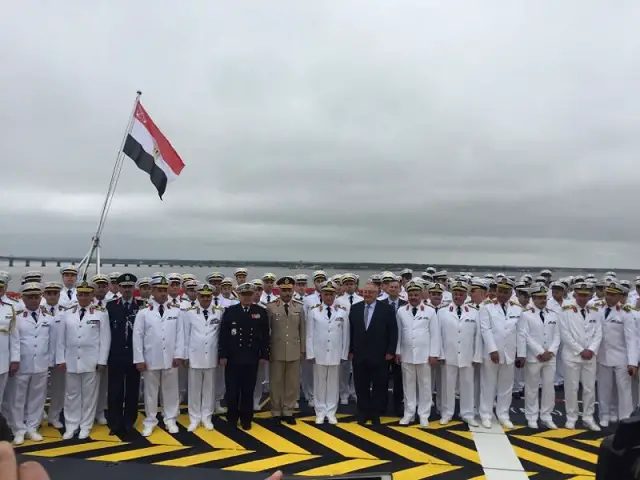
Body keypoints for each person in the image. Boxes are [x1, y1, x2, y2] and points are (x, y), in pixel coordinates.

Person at [56, 280, 111, 440]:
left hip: (91, 361)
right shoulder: (67, 314)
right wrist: (61, 359)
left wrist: (102, 361)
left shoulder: (101, 313)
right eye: (81, 294)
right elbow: (61, 340)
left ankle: (85, 426)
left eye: (87, 294)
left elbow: (105, 339)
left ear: (92, 295)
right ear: (77, 295)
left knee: (89, 396)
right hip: (71, 361)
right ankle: (71, 425)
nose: (84, 297)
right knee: (71, 395)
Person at [132, 276, 185, 437]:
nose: (162, 293)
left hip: (170, 358)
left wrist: (178, 355)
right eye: (159, 290)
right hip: (150, 358)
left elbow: (180, 335)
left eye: (164, 290)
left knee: (171, 391)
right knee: (150, 392)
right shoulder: (143, 313)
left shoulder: (176, 311)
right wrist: (139, 359)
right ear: (153, 291)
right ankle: (150, 420)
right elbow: (137, 336)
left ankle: (170, 419)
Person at [218, 283, 270, 430]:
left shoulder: (260, 312)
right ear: (239, 296)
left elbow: (265, 335)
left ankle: (246, 418)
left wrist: (264, 354)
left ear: (253, 295)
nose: (247, 297)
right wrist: (223, 355)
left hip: (251, 357)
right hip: (233, 357)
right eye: (244, 295)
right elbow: (224, 335)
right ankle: (232, 417)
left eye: (249, 295)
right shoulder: (230, 311)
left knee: (248, 390)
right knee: (232, 390)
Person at [478, 277, 524, 429]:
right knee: (488, 385)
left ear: (511, 293)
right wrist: (493, 350)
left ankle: (503, 414)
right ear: (496, 291)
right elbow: (485, 329)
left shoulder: (517, 309)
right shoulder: (486, 307)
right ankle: (486, 414)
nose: (503, 294)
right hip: (492, 353)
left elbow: (521, 332)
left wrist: (521, 353)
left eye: (506, 292)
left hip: (510, 353)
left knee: (506, 387)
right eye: (500, 291)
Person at [349, 282, 397, 425]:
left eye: (371, 292)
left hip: (380, 355)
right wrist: (350, 350)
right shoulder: (355, 308)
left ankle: (375, 413)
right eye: (366, 292)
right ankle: (363, 412)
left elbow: (393, 331)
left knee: (379, 386)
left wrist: (391, 351)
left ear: (377, 293)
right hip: (359, 354)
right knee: (361, 386)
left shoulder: (386, 309)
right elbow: (351, 332)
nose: (368, 294)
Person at [558, 281, 602, 431]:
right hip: (572, 356)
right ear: (575, 294)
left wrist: (591, 349)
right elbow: (565, 334)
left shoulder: (595, 311)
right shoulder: (566, 311)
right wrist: (580, 350)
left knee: (589, 388)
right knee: (572, 388)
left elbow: (598, 333)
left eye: (586, 295)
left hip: (590, 356)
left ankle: (588, 417)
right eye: (580, 295)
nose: (583, 298)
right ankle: (571, 417)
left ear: (590, 295)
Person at [437, 280, 481, 427]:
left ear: (466, 295)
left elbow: (478, 337)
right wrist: (440, 354)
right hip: (448, 355)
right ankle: (447, 413)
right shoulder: (442, 312)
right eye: (456, 293)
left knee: (468, 385)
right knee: (447, 386)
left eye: (461, 293)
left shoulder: (474, 312)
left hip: (468, 356)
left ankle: (468, 414)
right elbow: (438, 335)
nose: (458, 296)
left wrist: (477, 355)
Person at [105, 273, 145, 437]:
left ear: (134, 288)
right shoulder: (111, 306)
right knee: (115, 390)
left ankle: (129, 422)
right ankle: (115, 423)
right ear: (119, 288)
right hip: (116, 355)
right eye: (124, 287)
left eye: (130, 287)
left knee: (132, 390)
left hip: (134, 355)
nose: (127, 290)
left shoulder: (142, 306)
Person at [396, 281, 440, 427]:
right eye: (411, 294)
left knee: (425, 386)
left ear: (421, 295)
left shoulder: (430, 311)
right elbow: (399, 333)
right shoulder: (401, 311)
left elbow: (435, 334)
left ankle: (424, 415)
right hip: (407, 354)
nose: (413, 297)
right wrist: (397, 352)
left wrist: (434, 354)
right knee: (408, 386)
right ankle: (409, 413)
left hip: (424, 355)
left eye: (416, 294)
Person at [307, 281, 349, 425]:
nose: (329, 297)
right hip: (319, 353)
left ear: (335, 295)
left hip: (335, 353)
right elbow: (310, 334)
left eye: (331, 294)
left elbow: (345, 335)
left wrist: (344, 354)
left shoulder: (342, 312)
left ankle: (331, 412)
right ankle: (319, 412)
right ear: (322, 295)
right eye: (326, 294)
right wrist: (310, 353)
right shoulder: (313, 311)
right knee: (319, 383)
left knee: (333, 384)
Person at [183, 283, 224, 431]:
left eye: (208, 296)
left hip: (211, 356)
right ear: (198, 297)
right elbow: (185, 336)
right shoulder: (189, 312)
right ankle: (194, 418)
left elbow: (221, 336)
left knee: (209, 389)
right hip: (194, 356)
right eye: (203, 296)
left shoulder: (219, 312)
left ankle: (207, 417)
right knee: (194, 390)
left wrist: (221, 354)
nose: (206, 299)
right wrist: (185, 355)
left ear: (212, 297)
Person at [519, 283, 561, 429]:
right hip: (534, 357)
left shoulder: (553, 314)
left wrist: (551, 351)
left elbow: (557, 335)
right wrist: (539, 352)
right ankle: (531, 416)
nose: (542, 300)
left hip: (550, 357)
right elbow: (525, 335)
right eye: (539, 298)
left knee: (549, 387)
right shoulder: (526, 314)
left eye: (544, 297)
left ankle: (546, 415)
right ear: (533, 298)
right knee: (532, 387)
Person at [266, 276, 305, 424]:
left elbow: (303, 330)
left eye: (289, 290)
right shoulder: (271, 307)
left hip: (294, 350)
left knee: (292, 382)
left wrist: (302, 350)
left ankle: (288, 411)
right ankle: (276, 411)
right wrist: (267, 350)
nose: (287, 293)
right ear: (279, 291)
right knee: (276, 382)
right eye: (284, 290)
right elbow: (267, 331)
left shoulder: (299, 307)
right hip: (276, 350)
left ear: (293, 290)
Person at [0, 278, 19, 413]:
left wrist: (15, 359)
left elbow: (14, 336)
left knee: (1, 396)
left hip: (3, 360)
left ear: (5, 288)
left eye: (1, 287)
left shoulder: (9, 308)